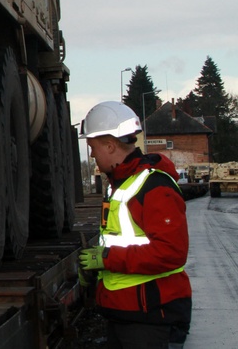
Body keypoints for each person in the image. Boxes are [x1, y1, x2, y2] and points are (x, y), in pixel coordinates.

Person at [78, 101, 192, 349]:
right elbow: (122, 240)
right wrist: (95, 268)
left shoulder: (154, 187)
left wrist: (107, 258)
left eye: (93, 147)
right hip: (126, 313)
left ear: (109, 146)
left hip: (151, 318)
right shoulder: (118, 185)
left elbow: (172, 252)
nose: (92, 155)